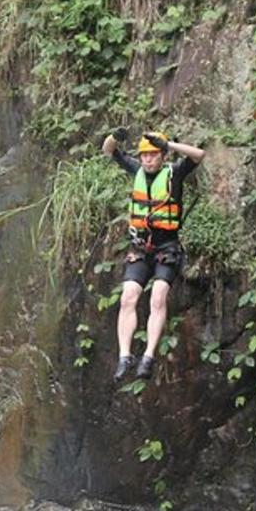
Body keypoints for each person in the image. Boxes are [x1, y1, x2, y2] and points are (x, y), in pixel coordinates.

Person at [102, 128, 205, 381]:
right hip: (140, 248)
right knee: (128, 297)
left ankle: (148, 356)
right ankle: (125, 356)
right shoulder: (135, 169)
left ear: (161, 156)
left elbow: (199, 155)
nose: (147, 160)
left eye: (153, 155)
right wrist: (116, 136)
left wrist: (169, 145)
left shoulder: (174, 173)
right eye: (144, 155)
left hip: (167, 248)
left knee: (158, 297)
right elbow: (108, 149)